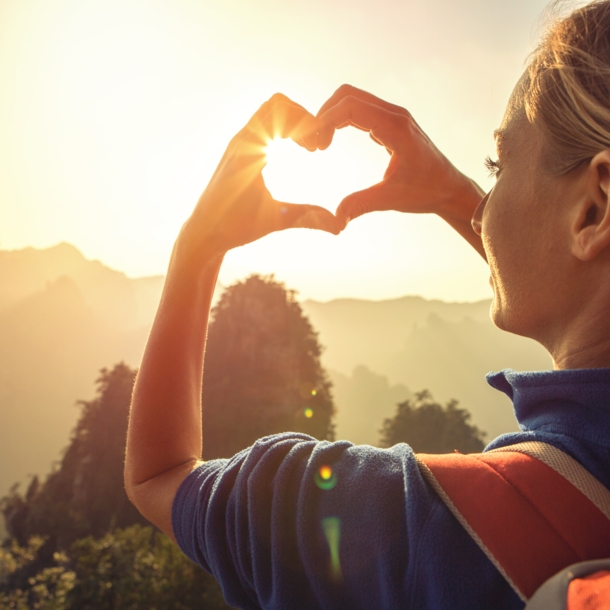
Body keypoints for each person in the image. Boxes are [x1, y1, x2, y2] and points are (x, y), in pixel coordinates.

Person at [124, 1, 610, 608]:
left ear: (593, 210)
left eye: (500, 163)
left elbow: (157, 475)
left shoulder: (399, 522)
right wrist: (453, 194)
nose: (486, 199)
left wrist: (197, 248)